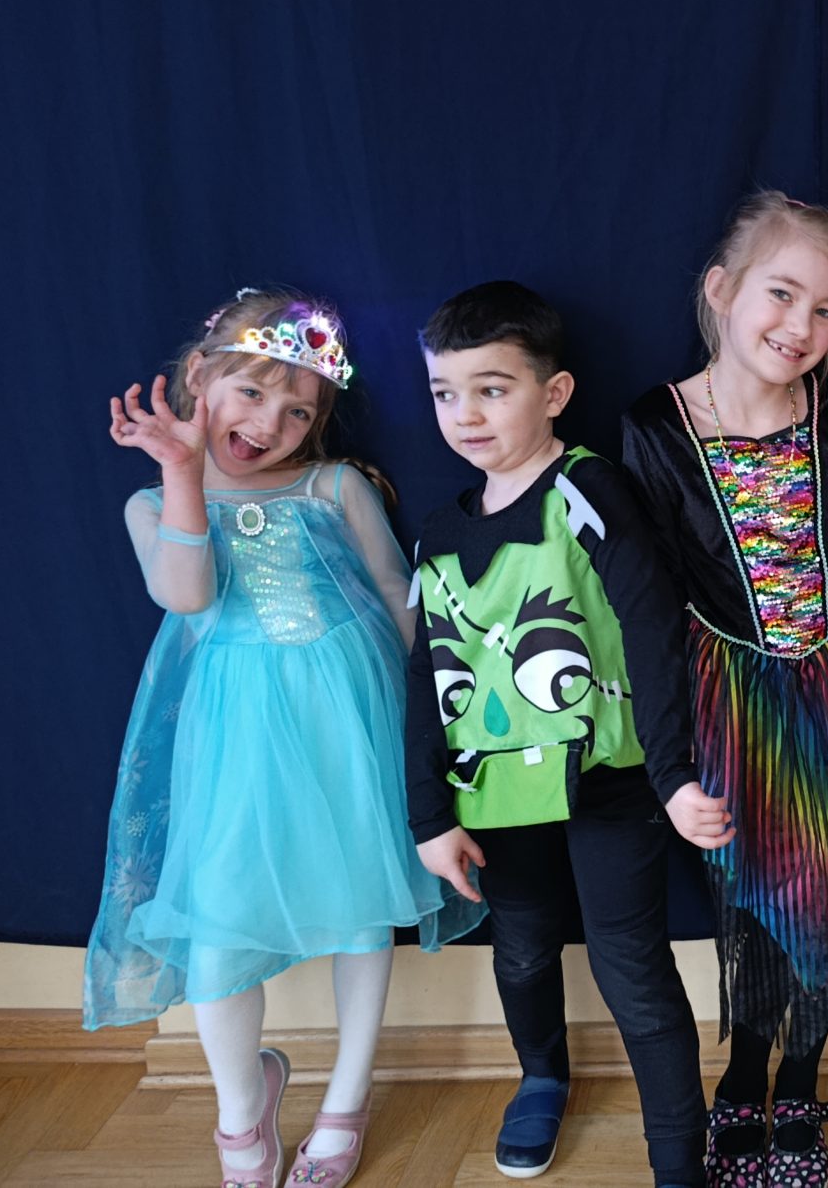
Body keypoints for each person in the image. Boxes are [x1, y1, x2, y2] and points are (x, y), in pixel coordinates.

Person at [85, 288, 472, 1188]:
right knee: (217, 928)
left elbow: (398, 597)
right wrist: (183, 472)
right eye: (253, 393)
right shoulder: (153, 504)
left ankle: (346, 1098)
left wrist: (429, 731)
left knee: (363, 905)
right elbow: (187, 594)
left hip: (350, 722)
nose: (271, 423)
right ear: (199, 377)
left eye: (299, 411)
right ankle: (240, 1114)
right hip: (236, 740)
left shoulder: (334, 486)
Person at [622, 191, 828, 1188]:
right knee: (754, 905)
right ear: (721, 290)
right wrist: (672, 760)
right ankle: (739, 1082)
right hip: (730, 701)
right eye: (782, 293)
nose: (800, 325)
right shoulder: (655, 426)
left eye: (825, 310)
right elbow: (650, 600)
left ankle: (798, 1080)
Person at [406, 280, 730, 1185]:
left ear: (553, 393)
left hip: (610, 783)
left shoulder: (588, 488)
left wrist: (673, 774)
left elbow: (653, 627)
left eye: (492, 388)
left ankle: (679, 1164)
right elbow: (425, 678)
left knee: (633, 970)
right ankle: (543, 1076)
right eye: (444, 392)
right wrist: (429, 814)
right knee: (520, 948)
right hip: (498, 795)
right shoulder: (437, 533)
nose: (466, 414)